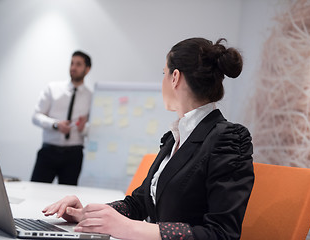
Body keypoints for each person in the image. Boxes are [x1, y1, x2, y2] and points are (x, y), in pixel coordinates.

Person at [42, 38, 254, 239]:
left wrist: (133, 228)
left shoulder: (228, 139)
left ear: (175, 77)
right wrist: (87, 214)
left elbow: (221, 233)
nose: (162, 80)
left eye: (164, 73)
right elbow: (139, 204)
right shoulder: (175, 138)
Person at [31, 51, 92, 185]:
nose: (73, 67)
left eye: (78, 64)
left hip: (74, 154)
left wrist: (83, 129)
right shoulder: (52, 88)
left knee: (67, 197)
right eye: (72, 63)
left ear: (87, 69)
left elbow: (94, 129)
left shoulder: (91, 97)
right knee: (36, 189)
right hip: (49, 151)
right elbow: (36, 116)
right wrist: (55, 124)